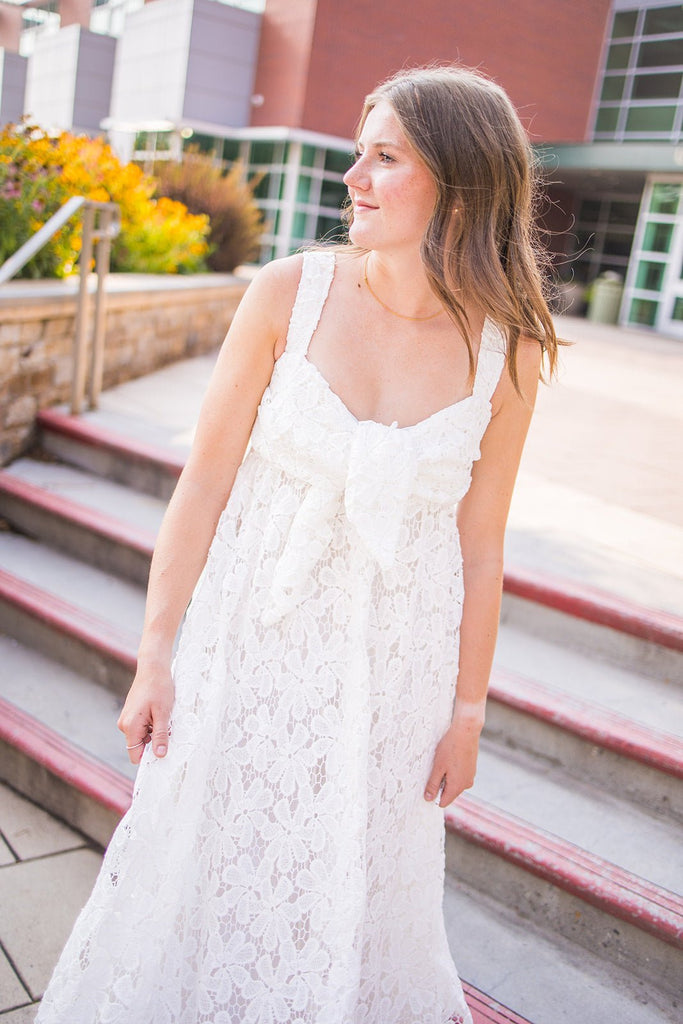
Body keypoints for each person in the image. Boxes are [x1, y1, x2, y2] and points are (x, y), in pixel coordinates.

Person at [36, 64, 558, 1024]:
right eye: (359, 152)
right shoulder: (288, 293)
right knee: (215, 863)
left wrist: (467, 714)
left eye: (384, 157)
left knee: (350, 886)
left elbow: (480, 547)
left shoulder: (510, 348)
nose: (352, 176)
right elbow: (204, 483)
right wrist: (155, 654)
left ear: (462, 181)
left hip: (393, 676)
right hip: (249, 645)